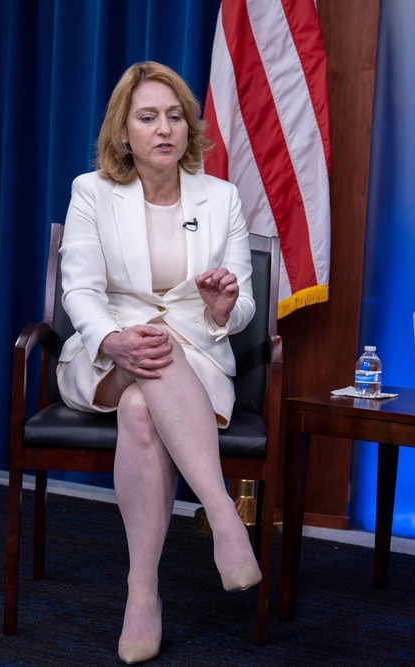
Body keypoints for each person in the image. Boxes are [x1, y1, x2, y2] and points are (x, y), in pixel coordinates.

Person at [56, 61, 260, 665]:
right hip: (104, 355)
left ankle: (141, 592)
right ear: (124, 131)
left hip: (194, 356)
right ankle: (222, 513)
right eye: (148, 118)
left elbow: (242, 304)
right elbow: (80, 293)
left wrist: (224, 307)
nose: (164, 129)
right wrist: (111, 340)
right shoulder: (91, 191)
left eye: (174, 116)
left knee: (143, 406)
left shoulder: (219, 196)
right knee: (146, 350)